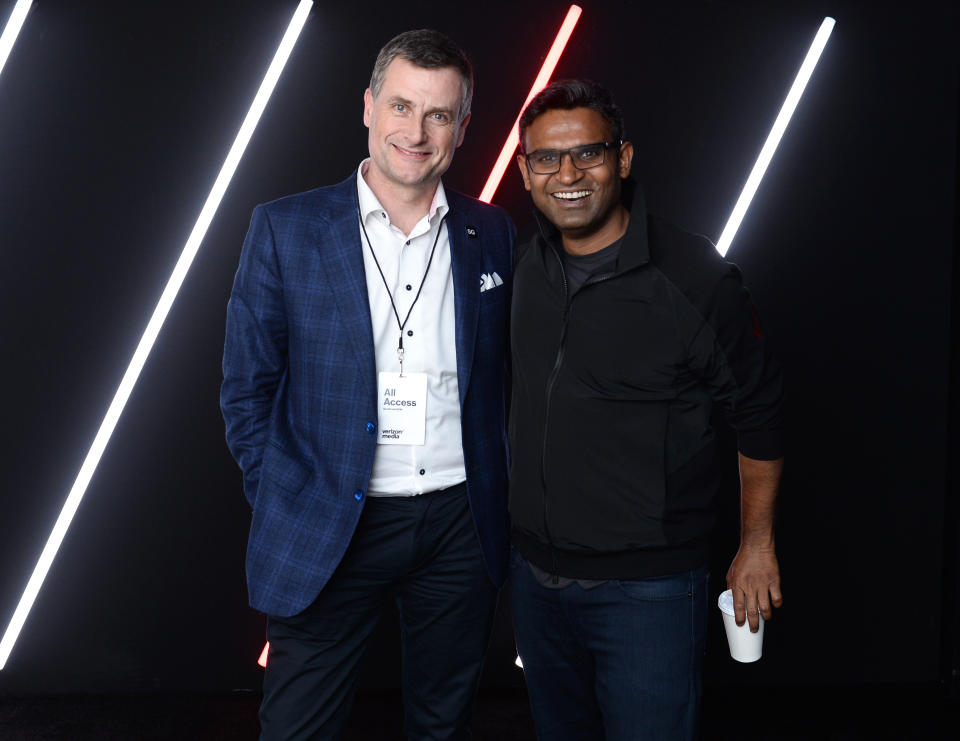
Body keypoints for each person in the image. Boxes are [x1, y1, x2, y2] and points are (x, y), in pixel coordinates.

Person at [220, 29, 515, 740]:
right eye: (402, 107)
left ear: (463, 127)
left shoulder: (493, 231)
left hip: (456, 524)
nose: (417, 132)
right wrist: (292, 495)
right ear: (368, 107)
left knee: (443, 724)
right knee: (297, 728)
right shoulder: (285, 228)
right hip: (331, 518)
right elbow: (245, 392)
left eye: (440, 114)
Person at [507, 79, 785, 740]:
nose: (568, 174)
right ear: (523, 171)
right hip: (535, 582)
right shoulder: (521, 266)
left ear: (623, 159)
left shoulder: (694, 279)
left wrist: (757, 543)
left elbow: (760, 407)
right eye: (547, 158)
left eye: (589, 154)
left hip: (648, 592)